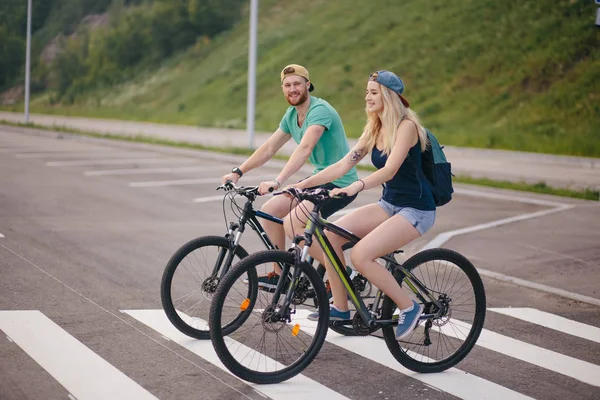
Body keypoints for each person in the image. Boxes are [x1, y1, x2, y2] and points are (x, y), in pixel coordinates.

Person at [286, 70, 436, 340]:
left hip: (416, 210)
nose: (367, 97)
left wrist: (358, 185)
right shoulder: (375, 128)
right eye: (367, 91)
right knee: (329, 237)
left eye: (373, 92)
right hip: (389, 204)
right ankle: (341, 308)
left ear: (388, 97)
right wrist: (303, 185)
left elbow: (389, 170)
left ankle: (409, 307)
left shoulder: (406, 127)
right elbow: (344, 164)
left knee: (361, 256)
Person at [221, 64, 359, 289]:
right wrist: (238, 172)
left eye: (297, 84)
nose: (292, 89)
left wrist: (278, 181)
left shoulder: (320, 110)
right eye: (287, 85)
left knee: (293, 224)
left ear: (308, 85)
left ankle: (344, 273)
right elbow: (269, 148)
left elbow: (305, 147)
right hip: (318, 179)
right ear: (283, 89)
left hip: (340, 182)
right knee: (269, 211)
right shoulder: (292, 115)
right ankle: (280, 274)